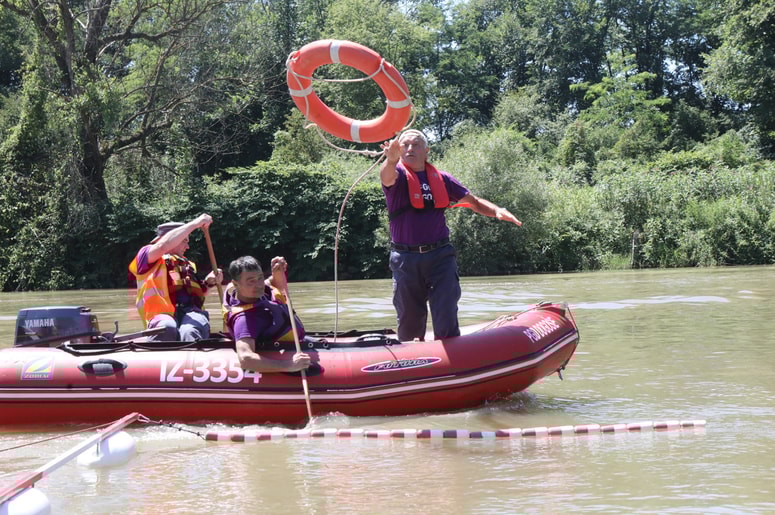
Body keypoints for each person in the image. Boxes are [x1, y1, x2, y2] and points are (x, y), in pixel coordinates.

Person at [380, 129, 522, 341]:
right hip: (405, 259)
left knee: (446, 314)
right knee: (410, 322)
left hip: (440, 257)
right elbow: (386, 177)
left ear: (426, 151)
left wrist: (497, 211)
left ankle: (452, 355)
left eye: (416, 145)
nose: (410, 149)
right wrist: (390, 161)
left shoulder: (443, 179)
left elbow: (474, 202)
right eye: (405, 145)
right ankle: (410, 356)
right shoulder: (397, 175)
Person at [129, 214, 223, 341]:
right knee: (167, 327)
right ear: (173, 238)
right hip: (161, 315)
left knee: (190, 331)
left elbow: (197, 294)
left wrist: (208, 283)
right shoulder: (145, 256)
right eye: (185, 240)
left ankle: (194, 350)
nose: (188, 247)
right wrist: (196, 223)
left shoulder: (187, 265)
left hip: (191, 312)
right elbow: (162, 246)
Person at [223, 255, 311, 373]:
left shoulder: (255, 293)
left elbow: (272, 283)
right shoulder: (244, 320)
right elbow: (245, 358)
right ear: (235, 284)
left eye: (260, 278)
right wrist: (289, 365)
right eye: (251, 281)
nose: (259, 284)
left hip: (298, 341)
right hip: (281, 350)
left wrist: (277, 272)